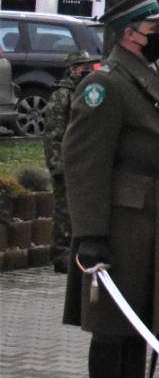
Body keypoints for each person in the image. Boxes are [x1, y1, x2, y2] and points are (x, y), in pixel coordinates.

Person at [62, 0, 159, 378]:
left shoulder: (157, 73)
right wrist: (90, 236)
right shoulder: (107, 83)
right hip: (120, 220)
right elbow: (84, 163)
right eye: (157, 29)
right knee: (113, 326)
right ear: (131, 34)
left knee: (144, 323)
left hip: (155, 213)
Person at [43, 49, 99, 273]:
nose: (86, 69)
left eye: (88, 65)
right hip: (66, 162)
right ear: (71, 69)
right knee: (64, 210)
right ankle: (61, 253)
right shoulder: (62, 95)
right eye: (81, 66)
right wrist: (56, 164)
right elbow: (54, 132)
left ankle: (77, 252)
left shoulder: (89, 92)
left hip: (86, 162)